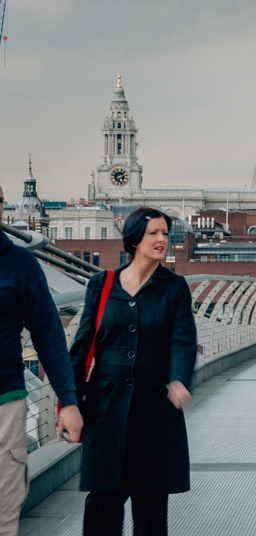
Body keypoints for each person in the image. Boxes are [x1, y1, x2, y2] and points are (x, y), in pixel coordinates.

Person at [70, 207, 197, 535]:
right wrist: (68, 404)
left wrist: (180, 379)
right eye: (154, 233)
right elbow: (81, 347)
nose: (162, 240)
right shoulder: (101, 285)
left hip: (155, 411)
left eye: (165, 234)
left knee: (151, 506)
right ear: (134, 238)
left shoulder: (175, 288)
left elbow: (183, 341)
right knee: (102, 504)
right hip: (105, 411)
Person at [0, 184, 83, 536]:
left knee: (3, 511)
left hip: (5, 404)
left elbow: (49, 335)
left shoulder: (21, 263)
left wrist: (68, 400)